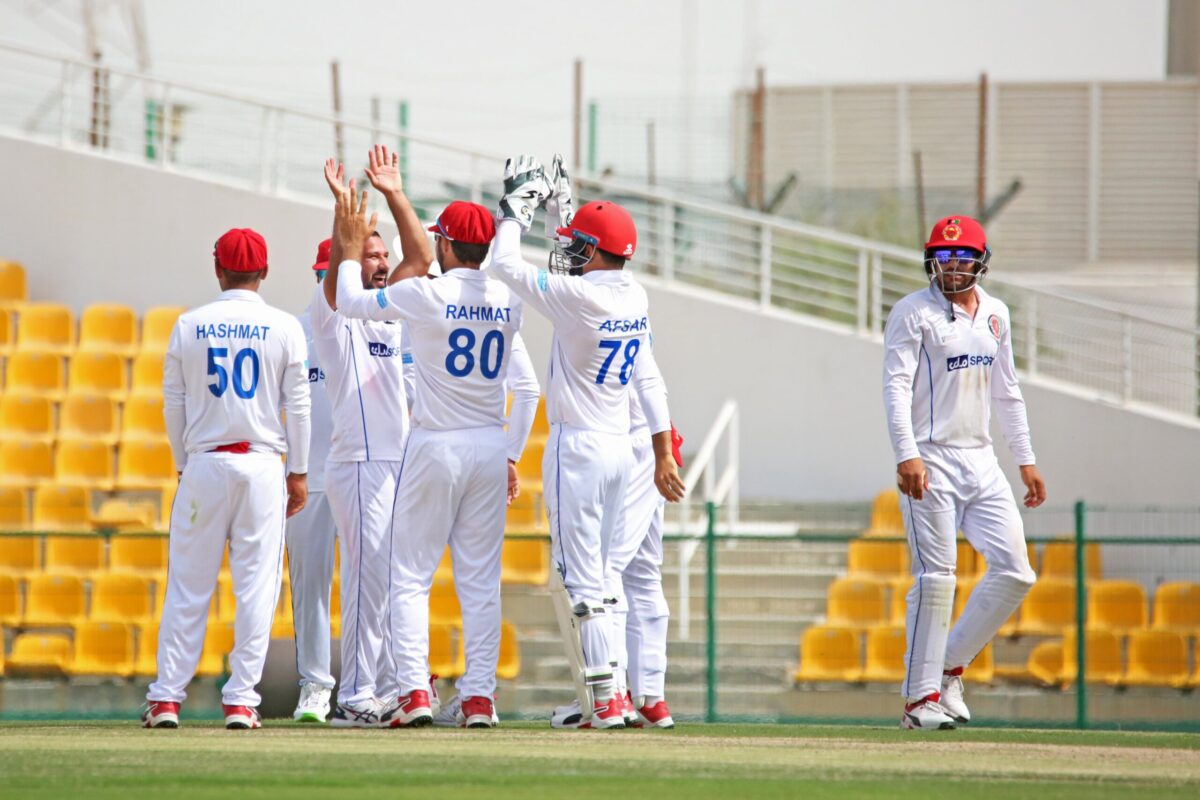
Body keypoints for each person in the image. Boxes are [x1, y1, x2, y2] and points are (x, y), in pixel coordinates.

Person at [329, 186, 540, 729]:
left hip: (434, 442)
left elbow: (350, 305)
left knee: (410, 576)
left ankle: (414, 694)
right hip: (490, 447)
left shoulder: (427, 295)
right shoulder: (507, 299)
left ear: (446, 246)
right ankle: (478, 699)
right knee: (479, 582)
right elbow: (528, 388)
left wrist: (351, 251)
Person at [488, 155, 685, 729]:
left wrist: (514, 209)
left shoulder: (579, 298)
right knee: (605, 578)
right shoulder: (634, 295)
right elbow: (648, 376)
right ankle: (614, 696)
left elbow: (503, 261)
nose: (569, 252)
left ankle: (605, 701)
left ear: (596, 253)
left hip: (576, 449)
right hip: (623, 452)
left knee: (583, 580)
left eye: (580, 246)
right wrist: (662, 448)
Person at [882, 215, 1047, 731]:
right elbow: (894, 386)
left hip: (982, 460)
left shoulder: (996, 314)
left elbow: (1007, 390)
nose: (953, 265)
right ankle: (918, 700)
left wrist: (1026, 459)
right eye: (944, 255)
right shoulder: (913, 313)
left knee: (1016, 570)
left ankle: (949, 667)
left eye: (963, 257)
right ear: (932, 259)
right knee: (936, 579)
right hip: (931, 458)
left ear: (981, 260)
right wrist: (905, 453)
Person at [143, 228, 310, 730]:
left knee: (188, 587)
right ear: (265, 271)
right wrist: (298, 472)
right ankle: (241, 700)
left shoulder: (189, 325)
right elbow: (298, 406)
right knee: (256, 589)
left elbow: (174, 402)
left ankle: (167, 698)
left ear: (218, 269)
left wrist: (181, 461)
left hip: (206, 463)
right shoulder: (284, 327)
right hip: (262, 465)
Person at [315, 146, 433, 727]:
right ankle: (355, 696)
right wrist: (345, 226)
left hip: (398, 463)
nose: (383, 262)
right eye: (371, 254)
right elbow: (341, 287)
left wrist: (393, 195)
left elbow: (422, 255)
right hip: (360, 463)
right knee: (367, 579)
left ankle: (387, 686)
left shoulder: (387, 308)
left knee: (391, 577)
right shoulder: (332, 313)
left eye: (383, 253)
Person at [287, 239, 338, 723]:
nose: (330, 283)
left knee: (377, 588)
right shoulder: (293, 332)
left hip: (365, 471)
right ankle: (315, 687)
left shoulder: (375, 324)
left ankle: (379, 686)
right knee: (310, 590)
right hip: (308, 478)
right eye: (324, 273)